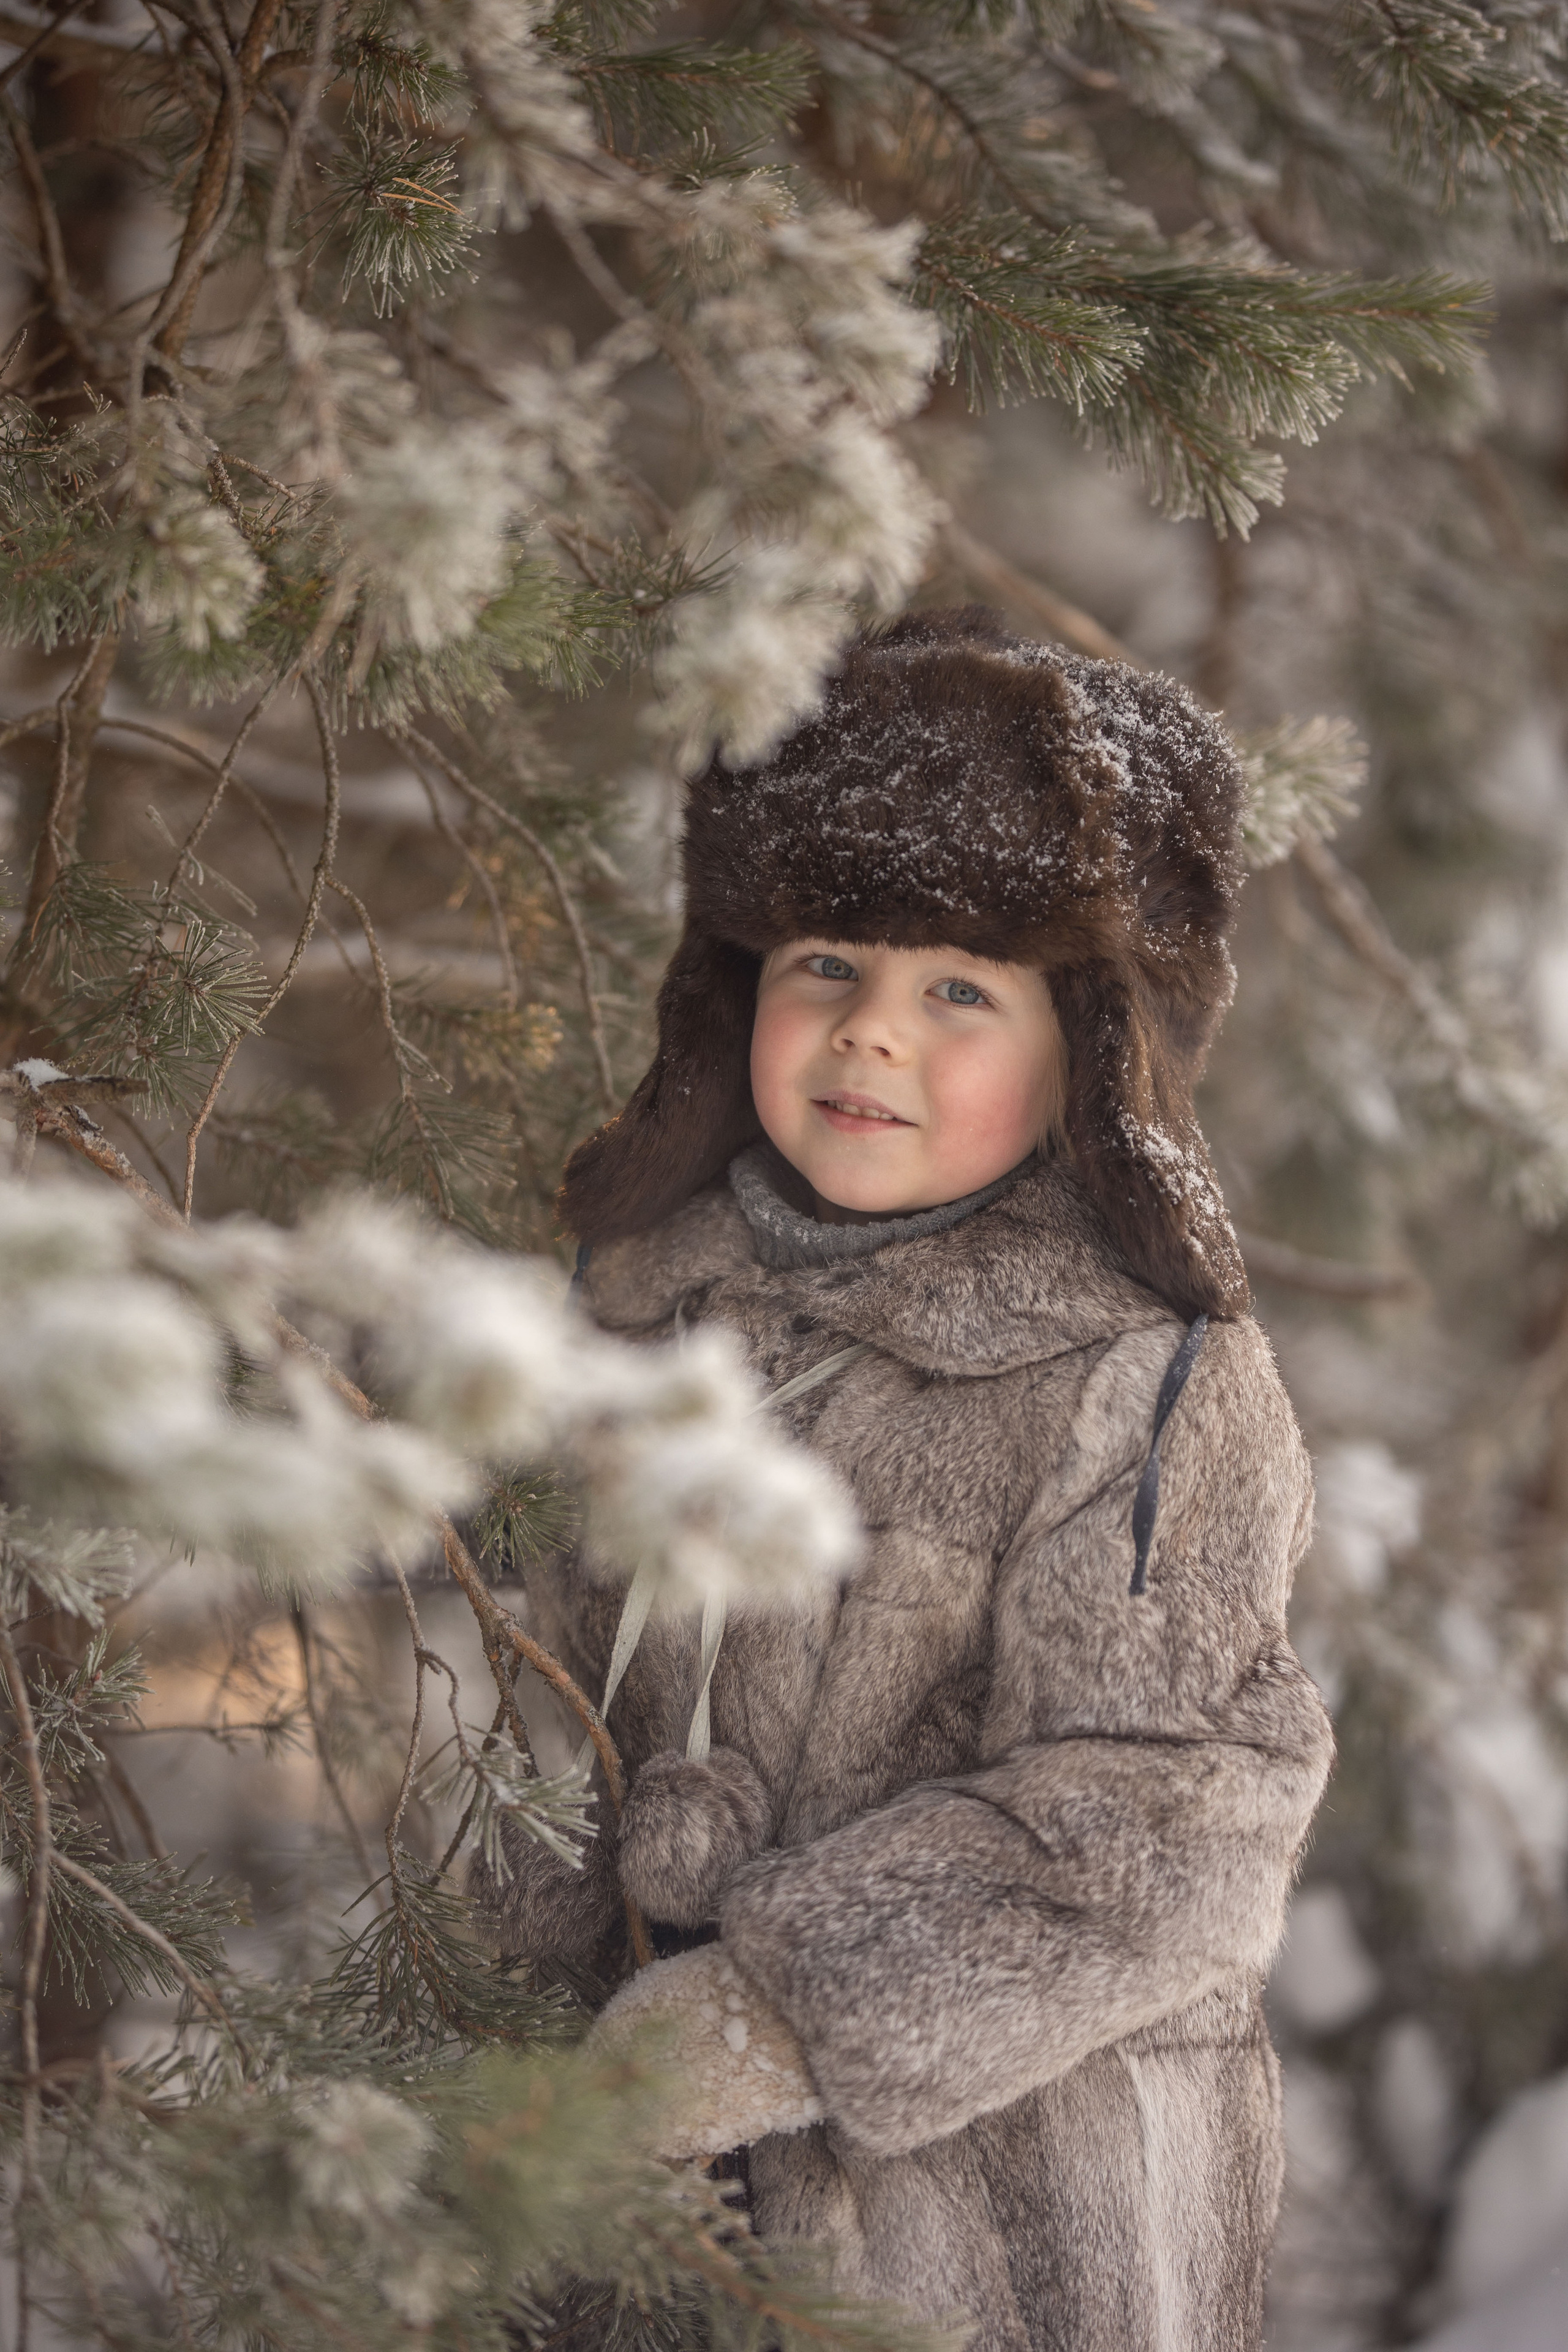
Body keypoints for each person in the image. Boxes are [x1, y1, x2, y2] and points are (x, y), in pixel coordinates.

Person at [476, 607, 1334, 2352]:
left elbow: (1174, 1814)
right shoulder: (645, 1310)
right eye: (827, 966)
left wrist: (787, 2013)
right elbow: (531, 1638)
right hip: (634, 2190)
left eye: (958, 991)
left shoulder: (1141, 1383)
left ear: (1087, 1046)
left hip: (992, 2228)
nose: (871, 1034)